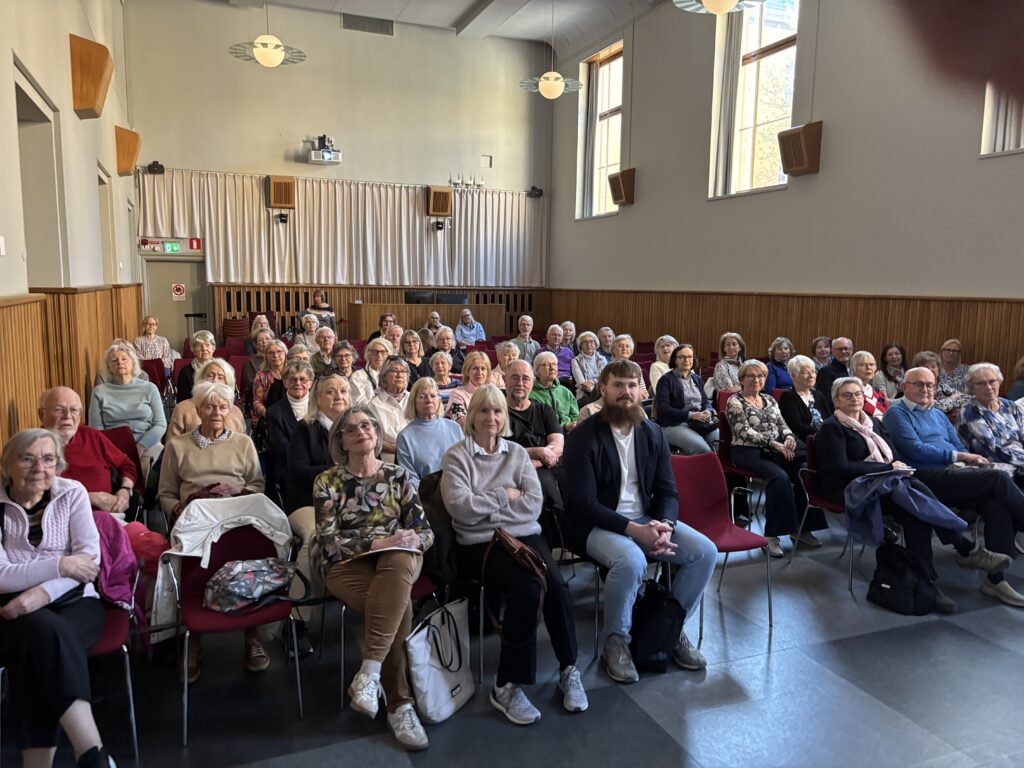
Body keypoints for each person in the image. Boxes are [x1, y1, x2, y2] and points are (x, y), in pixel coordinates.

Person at [563, 360, 717, 683]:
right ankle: (616, 641)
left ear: (640, 391)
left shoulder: (652, 433)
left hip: (647, 519)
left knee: (705, 552)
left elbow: (668, 491)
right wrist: (637, 531)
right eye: (618, 385)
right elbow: (583, 503)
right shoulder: (583, 437)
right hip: (596, 525)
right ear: (603, 390)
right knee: (632, 560)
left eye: (632, 386)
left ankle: (669, 628)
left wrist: (665, 526)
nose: (626, 392)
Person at [441, 385, 587, 723]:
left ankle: (569, 668)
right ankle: (506, 685)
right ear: (472, 416)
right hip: (480, 542)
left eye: (497, 411)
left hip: (524, 534)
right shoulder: (457, 457)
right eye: (483, 410)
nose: (491, 417)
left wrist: (488, 503)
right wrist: (504, 496)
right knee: (527, 586)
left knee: (557, 586)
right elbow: (461, 509)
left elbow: (533, 504)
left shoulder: (518, 453)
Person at [816, 377, 1009, 613]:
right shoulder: (832, 428)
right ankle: (965, 547)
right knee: (912, 496)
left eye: (857, 394)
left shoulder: (873, 423)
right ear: (836, 400)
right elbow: (840, 467)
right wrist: (887, 468)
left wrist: (894, 468)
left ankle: (928, 582)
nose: (854, 399)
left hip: (886, 483)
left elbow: (894, 455)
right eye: (847, 395)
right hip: (851, 487)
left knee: (915, 514)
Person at [314, 406, 433, 750]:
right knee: (398, 606)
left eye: (366, 425)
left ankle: (370, 674)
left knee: (399, 558)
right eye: (350, 429)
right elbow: (328, 542)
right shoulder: (327, 482)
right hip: (346, 564)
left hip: (397, 561)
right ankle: (400, 705)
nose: (360, 432)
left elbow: (426, 532)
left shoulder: (398, 476)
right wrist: (377, 543)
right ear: (341, 442)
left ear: (378, 433)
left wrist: (412, 540)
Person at [0, 428, 118, 768]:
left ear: (58, 464)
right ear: (8, 465)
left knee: (40, 648)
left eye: (48, 459)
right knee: (45, 638)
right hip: (12, 611)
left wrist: (39, 593)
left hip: (75, 602)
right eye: (27, 459)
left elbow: (89, 561)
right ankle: (92, 754)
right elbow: (1, 576)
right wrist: (61, 565)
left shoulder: (72, 493)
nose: (40, 467)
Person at [883, 367, 1024, 606]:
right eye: (918, 384)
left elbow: (958, 444)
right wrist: (961, 457)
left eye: (930, 384)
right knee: (998, 478)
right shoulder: (897, 413)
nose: (925, 389)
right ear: (904, 387)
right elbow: (915, 449)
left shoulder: (937, 414)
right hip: (923, 478)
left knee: (996, 505)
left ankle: (995, 581)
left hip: (953, 474)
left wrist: (963, 459)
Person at [158, 382, 267, 676]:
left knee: (253, 549)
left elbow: (257, 485)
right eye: (209, 406)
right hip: (195, 516)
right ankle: (194, 636)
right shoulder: (178, 446)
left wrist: (238, 491)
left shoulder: (243, 443)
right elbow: (165, 493)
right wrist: (179, 510)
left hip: (235, 513)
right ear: (198, 409)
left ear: (230, 410)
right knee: (194, 557)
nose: (216, 412)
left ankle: (252, 634)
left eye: (222, 407)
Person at [725, 360, 823, 557]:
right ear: (742, 379)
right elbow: (743, 431)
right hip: (746, 450)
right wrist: (774, 443)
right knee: (779, 477)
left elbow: (782, 424)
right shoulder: (734, 401)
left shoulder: (769, 399)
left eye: (761, 376)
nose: (756, 379)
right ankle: (772, 537)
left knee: (804, 470)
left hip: (775, 449)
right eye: (751, 376)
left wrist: (788, 437)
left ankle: (803, 529)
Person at [283, 372, 351, 655]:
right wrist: (337, 473)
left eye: (343, 391)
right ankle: (296, 622)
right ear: (318, 398)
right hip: (307, 502)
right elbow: (297, 472)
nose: (338, 396)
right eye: (330, 391)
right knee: (314, 537)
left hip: (348, 503)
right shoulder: (306, 429)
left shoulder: (355, 427)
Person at [39, 386, 138, 517]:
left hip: (110, 516)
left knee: (143, 532)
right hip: (60, 520)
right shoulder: (33, 447)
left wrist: (125, 490)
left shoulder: (92, 436)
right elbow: (34, 498)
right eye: (59, 409)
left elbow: (127, 465)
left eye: (74, 410)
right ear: (41, 415)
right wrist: (89, 498)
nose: (67, 416)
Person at [504, 360, 566, 532]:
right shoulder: (496, 413)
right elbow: (497, 451)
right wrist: (536, 451)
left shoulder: (544, 410)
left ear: (532, 382)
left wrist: (537, 461)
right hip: (510, 471)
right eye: (514, 378)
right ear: (504, 380)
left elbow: (557, 445)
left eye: (525, 378)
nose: (520, 383)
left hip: (547, 467)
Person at [88, 342, 166, 474]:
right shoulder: (99, 391)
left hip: (146, 443)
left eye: (124, 359)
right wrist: (111, 450)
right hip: (112, 446)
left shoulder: (149, 388)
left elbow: (160, 424)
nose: (120, 362)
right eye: (114, 360)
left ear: (133, 363)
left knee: (151, 469)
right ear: (109, 367)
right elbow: (96, 429)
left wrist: (141, 446)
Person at [956, 363, 1024, 479]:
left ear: (999, 382)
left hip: (1016, 462)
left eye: (992, 381)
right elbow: (993, 450)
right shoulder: (970, 411)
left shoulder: (1009, 405)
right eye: (981, 383)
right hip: (988, 465)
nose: (988, 387)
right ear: (972, 387)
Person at [395, 377, 464, 489]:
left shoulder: (454, 428)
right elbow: (410, 479)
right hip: (427, 495)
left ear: (439, 400)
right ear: (413, 402)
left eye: (433, 396)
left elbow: (467, 464)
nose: (429, 400)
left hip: (460, 489)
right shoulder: (405, 437)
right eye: (422, 397)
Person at [654, 344, 717, 454]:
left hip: (698, 422)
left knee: (720, 444)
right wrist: (691, 415)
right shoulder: (665, 380)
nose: (686, 360)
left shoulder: (697, 379)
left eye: (690, 357)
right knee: (703, 450)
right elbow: (663, 409)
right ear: (675, 360)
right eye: (682, 357)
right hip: (674, 424)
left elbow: (706, 401)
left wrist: (708, 411)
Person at [266, 361, 315, 499]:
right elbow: (281, 447)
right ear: (285, 383)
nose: (298, 383)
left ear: (310, 383)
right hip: (289, 468)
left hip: (318, 464)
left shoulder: (320, 407)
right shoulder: (274, 412)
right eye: (292, 379)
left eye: (303, 379)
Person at [168, 358, 246, 438]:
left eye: (220, 377)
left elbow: (243, 442)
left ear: (227, 383)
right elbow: (172, 443)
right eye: (210, 376)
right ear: (201, 379)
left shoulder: (236, 412)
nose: (215, 380)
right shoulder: (182, 408)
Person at [778, 355, 832, 444]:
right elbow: (797, 427)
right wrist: (824, 432)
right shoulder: (788, 397)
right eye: (805, 373)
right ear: (793, 376)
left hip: (826, 436)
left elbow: (829, 418)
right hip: (806, 440)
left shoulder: (819, 395)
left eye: (813, 372)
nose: (811, 376)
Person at [369, 357, 412, 458]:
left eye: (403, 371)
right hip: (388, 456)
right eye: (394, 371)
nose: (399, 375)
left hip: (416, 452)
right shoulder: (374, 405)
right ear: (384, 376)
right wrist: (398, 450)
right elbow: (372, 438)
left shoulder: (415, 399)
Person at [530, 351, 579, 429]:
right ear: (537, 370)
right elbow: (537, 424)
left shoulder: (565, 391)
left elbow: (576, 416)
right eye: (547, 365)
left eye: (554, 364)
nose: (552, 368)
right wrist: (564, 427)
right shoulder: (531, 394)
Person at [445, 350, 491, 424]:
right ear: (467, 371)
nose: (479, 372)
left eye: (483, 368)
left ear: (487, 372)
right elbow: (461, 422)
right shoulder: (456, 394)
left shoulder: (493, 393)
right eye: (475, 368)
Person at [252, 339, 288, 422]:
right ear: (266, 356)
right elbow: (257, 402)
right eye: (271, 353)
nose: (275, 355)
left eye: (279, 351)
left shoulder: (293, 373)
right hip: (270, 416)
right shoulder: (261, 376)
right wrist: (268, 414)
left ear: (285, 353)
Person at [349, 338, 393, 406]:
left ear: (388, 355)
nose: (379, 355)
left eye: (383, 352)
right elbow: (359, 402)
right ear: (369, 354)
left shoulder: (394, 374)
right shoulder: (358, 376)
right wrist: (383, 407)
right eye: (375, 352)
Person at [177, 329, 217, 403]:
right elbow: (183, 401)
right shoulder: (186, 372)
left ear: (213, 348)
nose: (204, 349)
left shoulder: (222, 368)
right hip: (194, 407)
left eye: (207, 345)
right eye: (199, 346)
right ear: (194, 350)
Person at [851, 351, 889, 420]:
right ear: (853, 369)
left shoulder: (879, 392)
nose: (868, 367)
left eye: (871, 364)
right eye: (862, 365)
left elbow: (889, 414)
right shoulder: (849, 393)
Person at [610, 335, 648, 399]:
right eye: (620, 346)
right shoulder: (609, 367)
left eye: (627, 346)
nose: (624, 348)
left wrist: (643, 395)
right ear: (613, 350)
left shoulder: (636, 366)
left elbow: (644, 392)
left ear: (631, 350)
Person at [572, 331, 605, 404]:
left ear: (595, 344)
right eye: (585, 342)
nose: (589, 344)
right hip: (584, 396)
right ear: (580, 346)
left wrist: (593, 382)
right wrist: (599, 386)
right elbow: (583, 384)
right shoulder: (575, 361)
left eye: (591, 341)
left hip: (602, 393)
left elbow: (605, 379)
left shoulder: (602, 359)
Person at [242, 327, 276, 395]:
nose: (264, 342)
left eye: (267, 339)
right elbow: (252, 386)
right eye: (260, 340)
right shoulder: (250, 363)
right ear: (256, 344)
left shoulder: (278, 359)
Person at [713, 331, 746, 396]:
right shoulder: (721, 366)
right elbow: (729, 390)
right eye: (728, 345)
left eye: (734, 344)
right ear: (724, 348)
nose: (731, 347)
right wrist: (748, 388)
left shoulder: (743, 365)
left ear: (740, 347)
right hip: (729, 399)